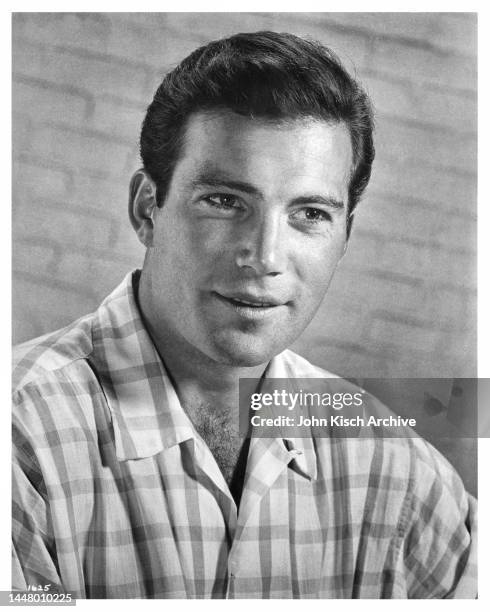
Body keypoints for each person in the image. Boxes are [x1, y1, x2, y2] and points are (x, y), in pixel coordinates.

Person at [12, 31, 476, 598]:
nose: (265, 257)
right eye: (226, 201)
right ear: (146, 208)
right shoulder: (20, 440)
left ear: (344, 237)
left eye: (309, 213)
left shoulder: (394, 467)